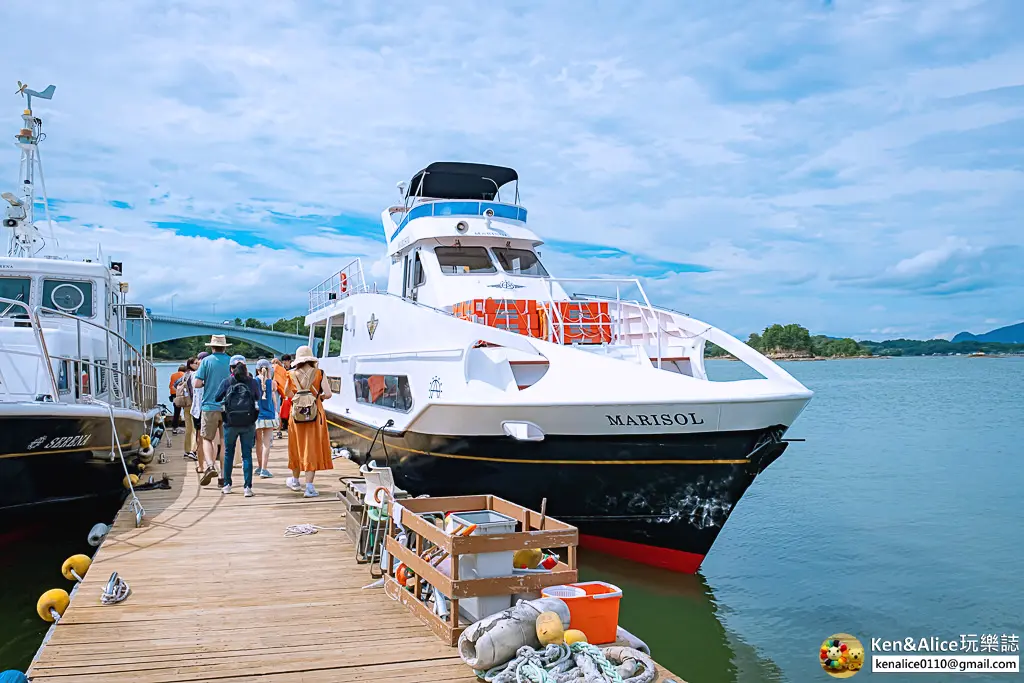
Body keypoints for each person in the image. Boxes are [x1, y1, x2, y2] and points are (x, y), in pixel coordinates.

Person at [285, 345, 333, 497]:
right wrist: (318, 398)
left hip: (297, 416)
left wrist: (299, 400)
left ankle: (295, 481)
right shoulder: (320, 373)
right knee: (310, 448)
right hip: (315, 415)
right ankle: (310, 487)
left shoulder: (291, 374)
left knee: (297, 446)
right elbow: (329, 393)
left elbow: (287, 393)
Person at [214, 356, 261, 497]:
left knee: (229, 453)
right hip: (248, 422)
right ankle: (247, 488)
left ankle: (227, 485)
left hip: (230, 422)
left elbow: (217, 397)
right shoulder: (251, 382)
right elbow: (258, 396)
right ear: (246, 368)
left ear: (231, 368)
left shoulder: (227, 381)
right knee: (247, 455)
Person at [192, 335, 232, 486]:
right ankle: (223, 476)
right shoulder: (231, 361)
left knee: (207, 438)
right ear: (225, 347)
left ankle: (209, 465)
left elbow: (197, 383)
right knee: (224, 441)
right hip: (228, 407)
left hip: (209, 406)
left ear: (211, 347)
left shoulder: (206, 361)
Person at [254, 359, 279, 478]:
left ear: (257, 369)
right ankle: (264, 469)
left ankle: (259, 467)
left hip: (257, 416)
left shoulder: (253, 382)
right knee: (266, 444)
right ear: (269, 370)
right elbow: (273, 399)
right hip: (269, 415)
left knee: (258, 443)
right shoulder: (273, 383)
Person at [177, 356, 200, 461]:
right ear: (191, 364)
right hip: (192, 403)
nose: (198, 364)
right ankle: (193, 450)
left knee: (188, 428)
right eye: (196, 363)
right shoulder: (193, 375)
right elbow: (194, 389)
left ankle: (186, 450)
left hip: (185, 403)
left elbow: (175, 384)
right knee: (194, 428)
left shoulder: (184, 375)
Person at [272, 355, 292, 438]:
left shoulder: (293, 369)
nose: (285, 363)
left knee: (291, 413)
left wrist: (279, 363)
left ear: (290, 361)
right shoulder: (280, 370)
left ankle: (290, 429)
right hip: (283, 395)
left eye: (286, 361)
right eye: (283, 361)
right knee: (281, 412)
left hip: (291, 394)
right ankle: (279, 430)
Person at [168, 364, 186, 433]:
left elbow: (170, 386)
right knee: (186, 410)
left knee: (176, 411)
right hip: (182, 394)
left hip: (173, 394)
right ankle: (188, 426)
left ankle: (174, 427)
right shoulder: (184, 375)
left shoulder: (173, 375)